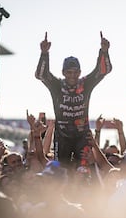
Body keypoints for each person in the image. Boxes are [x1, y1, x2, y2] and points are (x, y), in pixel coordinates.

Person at [35, 31, 112, 170]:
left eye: (76, 72)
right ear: (63, 72)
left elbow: (103, 71)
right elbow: (41, 75)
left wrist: (104, 51)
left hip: (83, 135)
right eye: (69, 72)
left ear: (80, 72)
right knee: (59, 170)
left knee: (84, 169)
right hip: (62, 136)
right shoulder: (57, 85)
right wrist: (44, 53)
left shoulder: (85, 84)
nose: (73, 75)